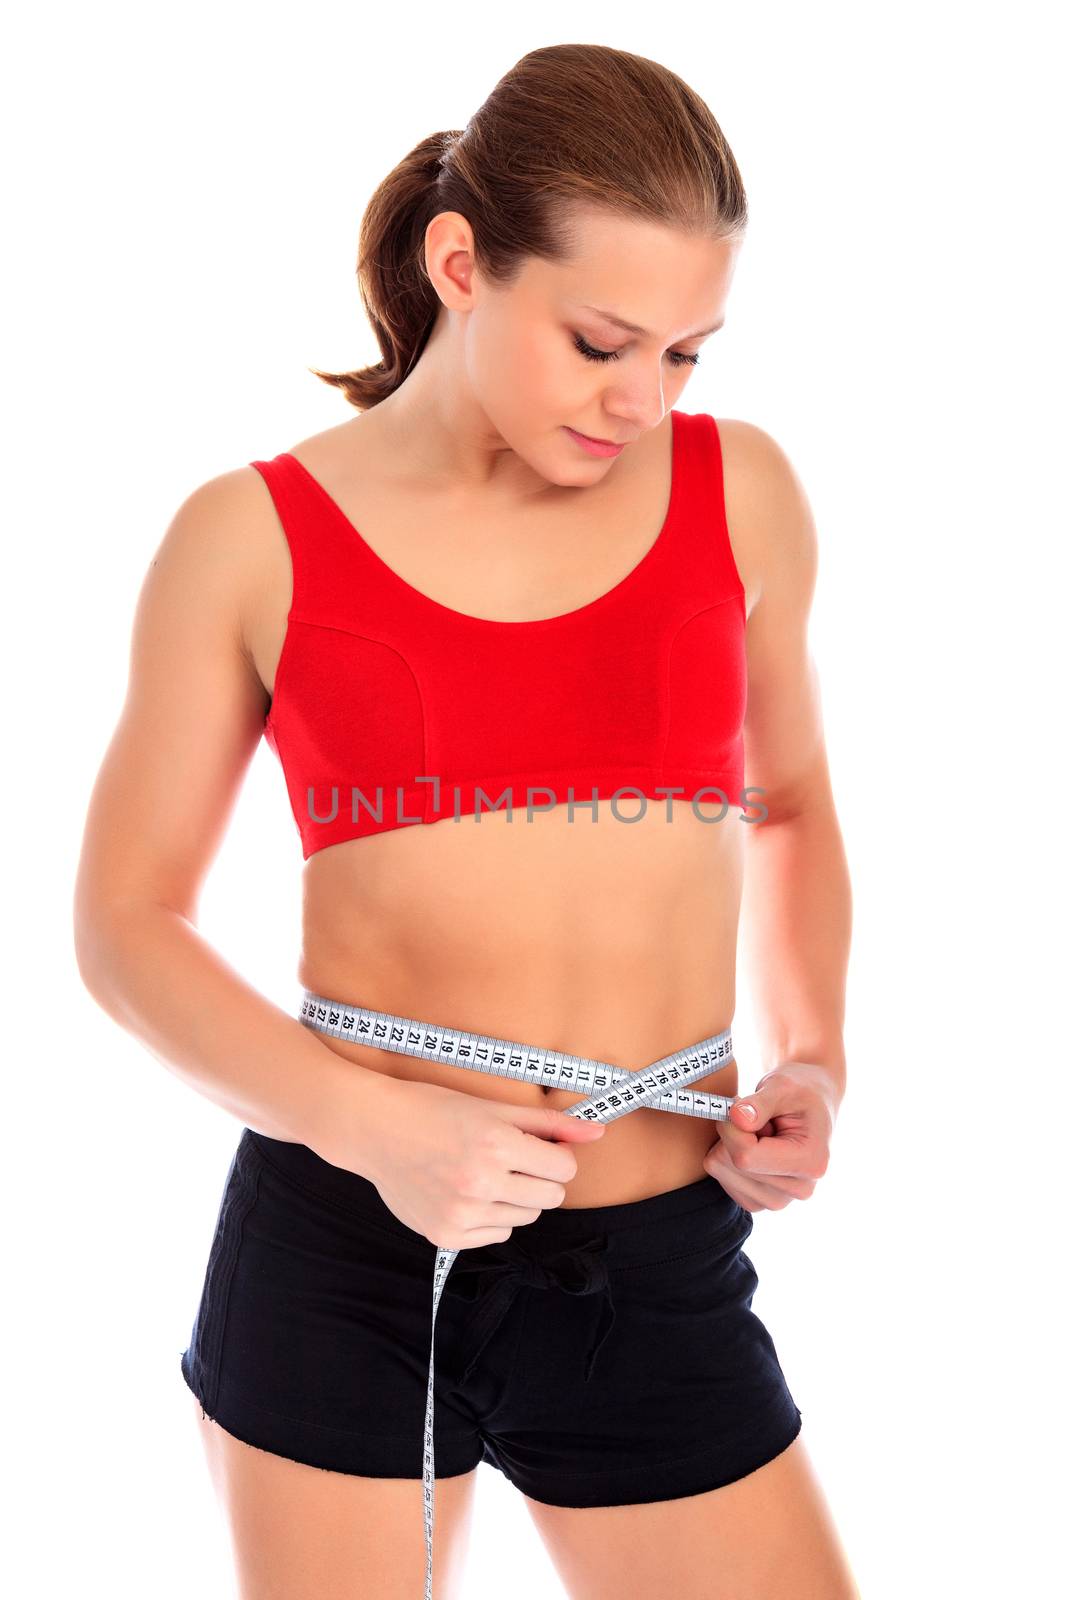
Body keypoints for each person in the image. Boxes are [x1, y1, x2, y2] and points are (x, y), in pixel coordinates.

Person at [73, 40, 858, 1600]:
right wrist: (378, 1132)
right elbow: (122, 925)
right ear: (462, 266)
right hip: (343, 1245)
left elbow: (788, 805)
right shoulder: (251, 539)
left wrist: (814, 1056)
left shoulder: (740, 490)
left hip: (652, 1256)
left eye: (689, 353)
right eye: (601, 342)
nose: (644, 400)